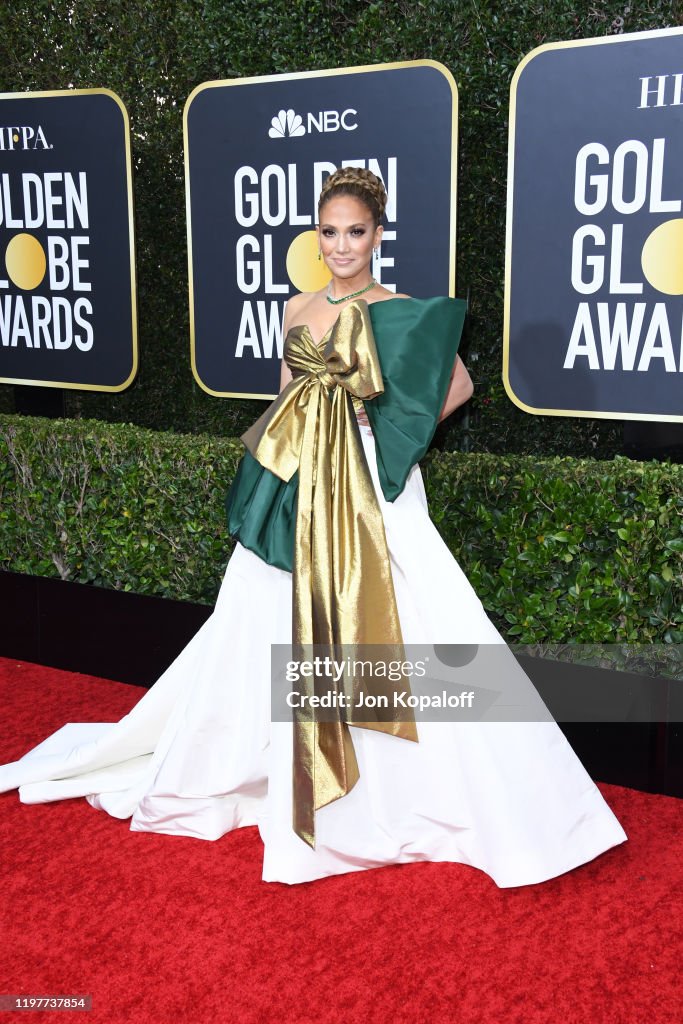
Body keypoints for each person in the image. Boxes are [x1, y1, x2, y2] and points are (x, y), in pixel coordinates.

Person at [0, 167, 627, 886]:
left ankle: (424, 789)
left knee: (413, 619)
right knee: (266, 618)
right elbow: (283, 399)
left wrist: (381, 427)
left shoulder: (398, 308)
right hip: (299, 480)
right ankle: (273, 760)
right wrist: (279, 460)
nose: (341, 245)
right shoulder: (297, 308)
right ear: (317, 234)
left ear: (377, 235)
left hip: (368, 485)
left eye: (355, 232)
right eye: (329, 232)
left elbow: (456, 386)